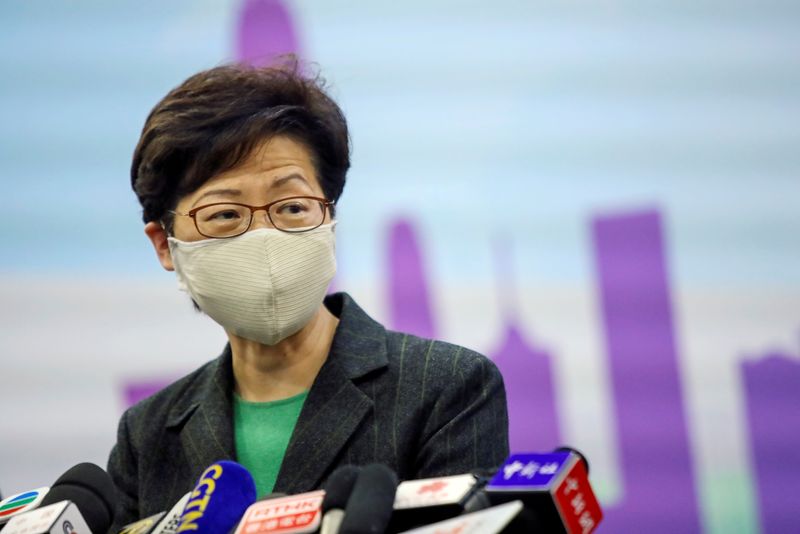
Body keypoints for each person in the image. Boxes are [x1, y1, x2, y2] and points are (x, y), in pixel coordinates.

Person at [107, 61, 509, 529]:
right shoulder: (148, 433)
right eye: (225, 214)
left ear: (329, 220)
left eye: (293, 207)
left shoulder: (446, 388)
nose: (263, 235)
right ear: (165, 245)